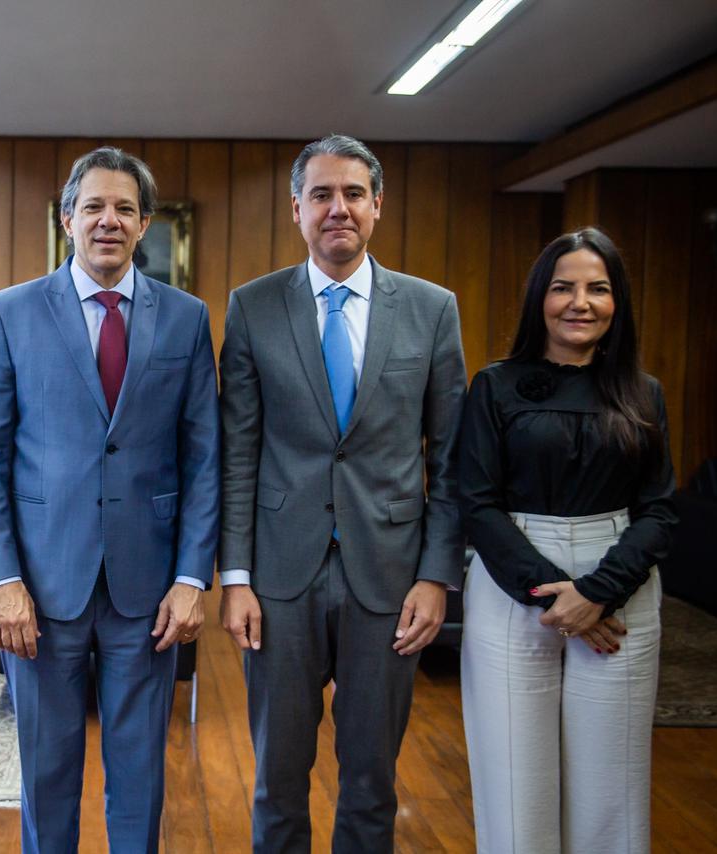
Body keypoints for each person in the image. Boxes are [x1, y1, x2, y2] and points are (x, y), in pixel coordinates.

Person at [0, 146, 220, 853]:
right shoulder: (10, 313)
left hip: (149, 589)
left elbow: (203, 459)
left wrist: (193, 578)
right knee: (46, 773)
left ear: (145, 225)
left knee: (139, 774)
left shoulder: (186, 319)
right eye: (95, 207)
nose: (110, 220)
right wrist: (2, 583)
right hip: (39, 591)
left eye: (126, 209)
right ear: (68, 217)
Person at [218, 134, 467, 853]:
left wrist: (436, 576)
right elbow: (238, 451)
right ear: (296, 209)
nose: (338, 209)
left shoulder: (431, 310)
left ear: (377, 205)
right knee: (277, 779)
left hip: (389, 579)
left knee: (371, 781)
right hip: (279, 580)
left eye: (353, 193)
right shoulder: (253, 307)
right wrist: (234, 576)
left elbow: (450, 459)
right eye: (321, 195)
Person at [458, 227, 675, 854]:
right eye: (564, 287)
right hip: (513, 583)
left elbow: (659, 511)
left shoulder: (644, 391)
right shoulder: (495, 386)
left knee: (612, 784)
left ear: (618, 303)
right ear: (540, 299)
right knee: (514, 777)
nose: (580, 302)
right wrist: (557, 599)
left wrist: (598, 595)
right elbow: (477, 502)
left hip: (620, 589)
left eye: (598, 289)